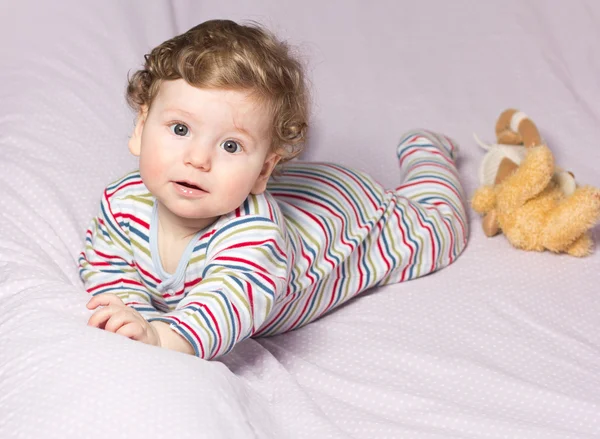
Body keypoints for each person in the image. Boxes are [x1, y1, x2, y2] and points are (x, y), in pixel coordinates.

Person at [79, 19, 469, 359]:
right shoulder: (122, 201)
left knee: (442, 231)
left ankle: (426, 151)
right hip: (298, 194)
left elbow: (225, 307)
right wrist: (131, 314)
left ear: (265, 169)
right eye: (180, 129)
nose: (198, 159)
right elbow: (107, 265)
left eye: (230, 145)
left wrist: (160, 337)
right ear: (140, 128)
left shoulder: (254, 236)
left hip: (354, 217)